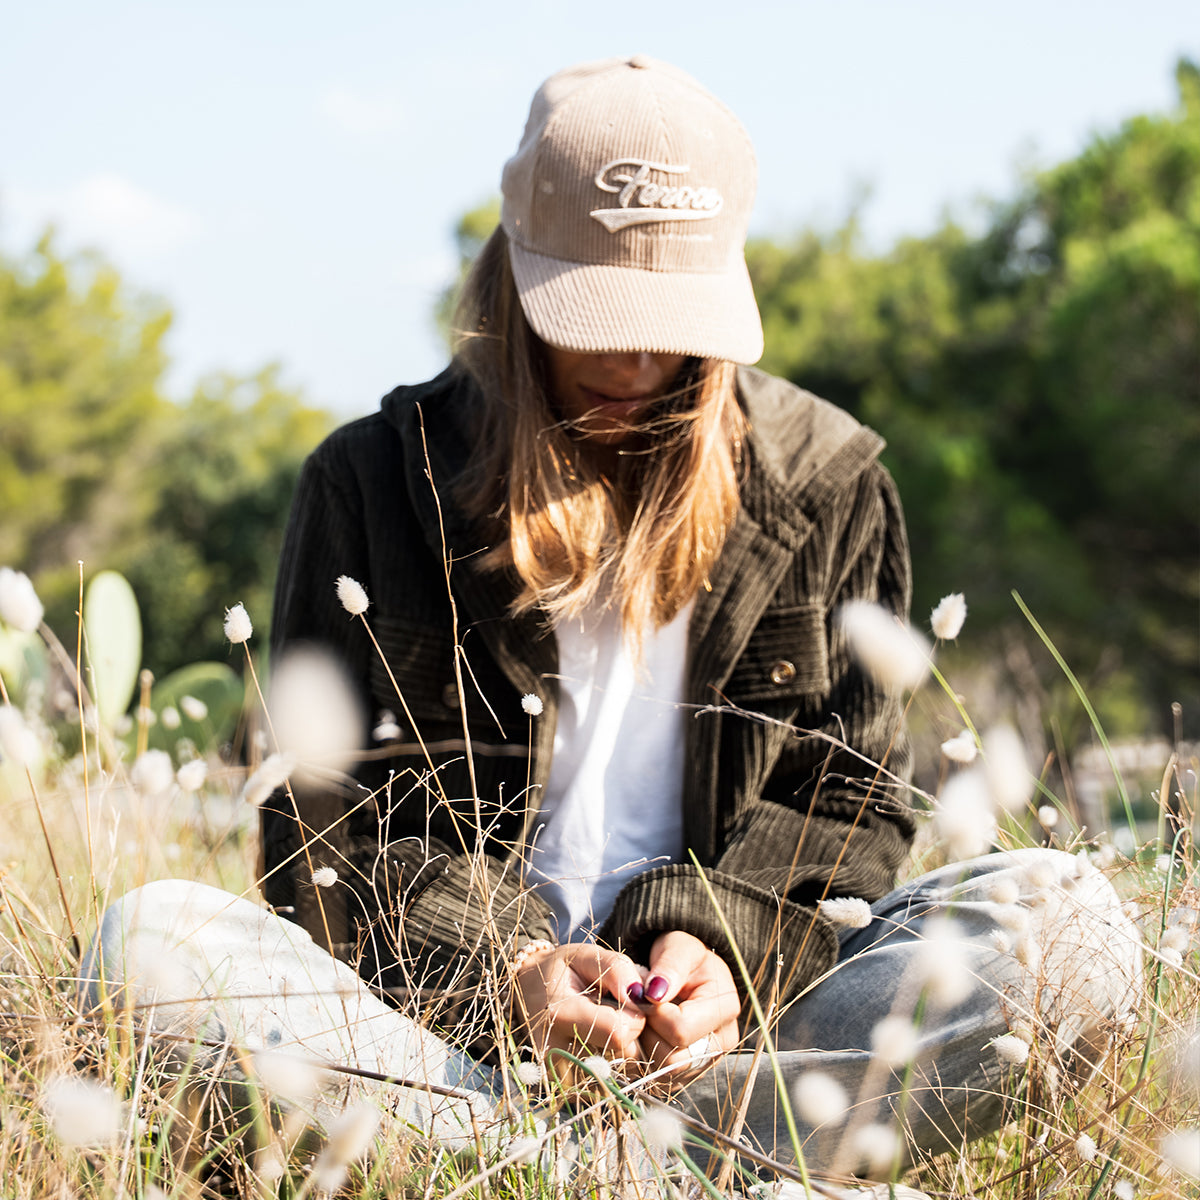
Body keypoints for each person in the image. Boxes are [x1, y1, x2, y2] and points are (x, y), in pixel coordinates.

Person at [88, 56, 1142, 1197]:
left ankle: (584, 1166)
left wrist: (723, 951)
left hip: (749, 1051)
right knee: (146, 946)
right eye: (598, 317)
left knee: (1069, 930)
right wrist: (511, 970)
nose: (640, 360)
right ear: (514, 280)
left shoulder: (830, 482)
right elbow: (313, 832)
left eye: (671, 322)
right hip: (447, 1053)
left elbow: (852, 799)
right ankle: (647, 1168)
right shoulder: (371, 483)